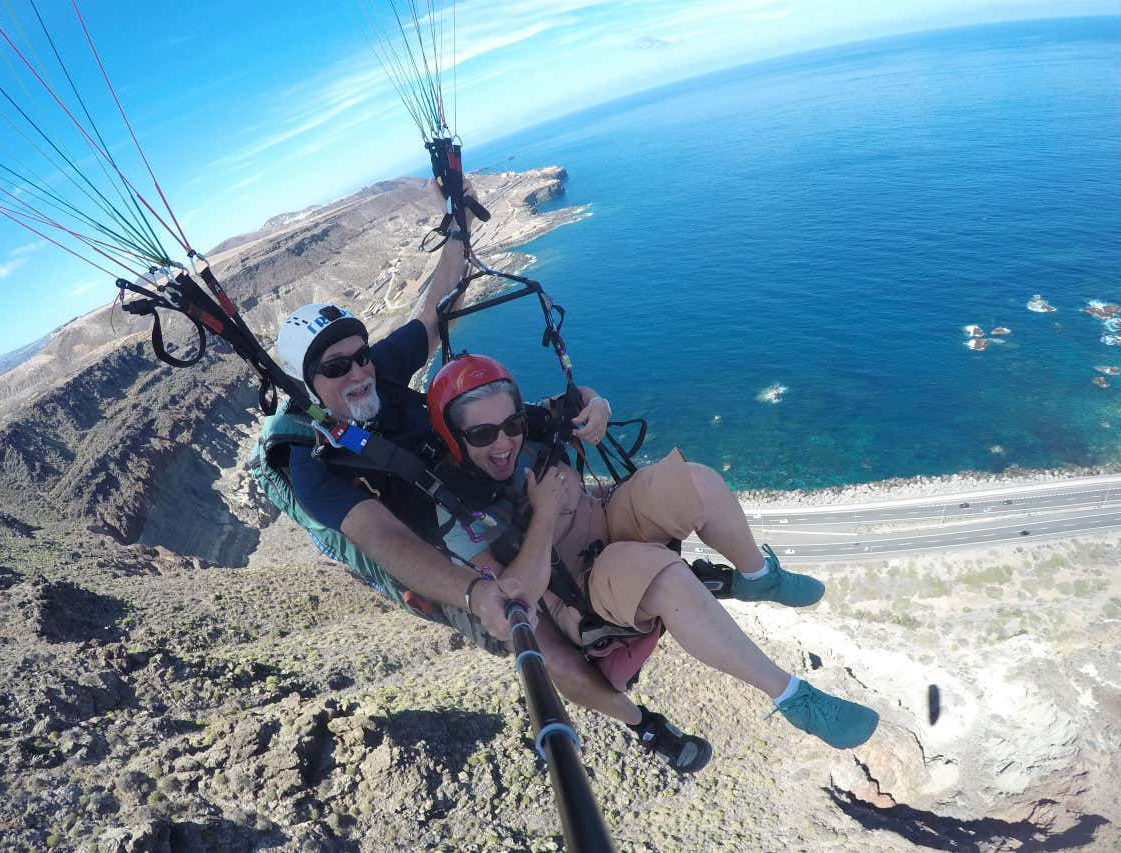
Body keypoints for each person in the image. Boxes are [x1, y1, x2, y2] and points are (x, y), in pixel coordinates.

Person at [272, 185, 714, 772]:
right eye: (337, 367)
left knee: (580, 513)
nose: (358, 371)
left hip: (477, 490)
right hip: (442, 556)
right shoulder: (310, 463)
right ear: (308, 383)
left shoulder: (375, 373)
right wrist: (475, 595)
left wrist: (456, 222)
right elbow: (382, 540)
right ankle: (645, 726)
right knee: (532, 635)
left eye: (360, 355)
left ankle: (664, 585)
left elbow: (433, 312)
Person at [425, 353, 881, 751]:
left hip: (600, 514)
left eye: (511, 425)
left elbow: (576, 400)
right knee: (662, 575)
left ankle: (759, 576)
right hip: (574, 583)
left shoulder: (528, 426)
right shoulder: (460, 517)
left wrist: (599, 406)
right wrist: (543, 513)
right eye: (483, 435)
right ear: (454, 437)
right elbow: (518, 601)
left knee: (696, 482)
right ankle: (792, 697)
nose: (504, 442)